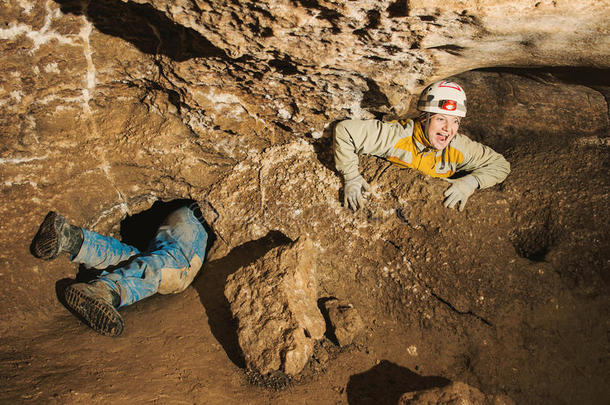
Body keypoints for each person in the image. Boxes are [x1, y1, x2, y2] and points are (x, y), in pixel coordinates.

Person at [30, 204, 208, 337]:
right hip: (199, 222)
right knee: (175, 273)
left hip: (186, 216)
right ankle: (106, 291)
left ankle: (70, 236)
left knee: (137, 260)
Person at [334, 80, 510, 211]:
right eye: (441, 119)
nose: (448, 129)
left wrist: (471, 182)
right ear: (424, 119)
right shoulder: (397, 136)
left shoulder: (458, 147)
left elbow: (500, 165)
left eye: (455, 121)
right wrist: (351, 177)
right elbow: (345, 130)